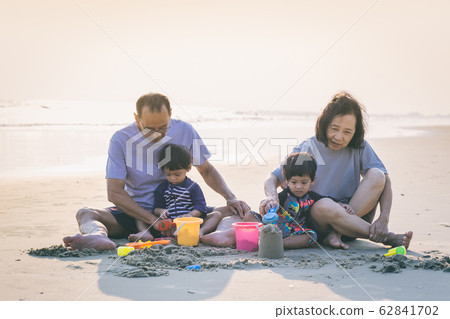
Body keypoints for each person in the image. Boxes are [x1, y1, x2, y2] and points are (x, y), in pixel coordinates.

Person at [63, 93, 250, 250]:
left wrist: (230, 196)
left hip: (182, 216)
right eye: (149, 129)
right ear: (137, 119)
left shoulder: (185, 130)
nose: (157, 134)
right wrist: (154, 220)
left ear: (170, 116)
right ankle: (98, 236)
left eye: (163, 127)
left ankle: (218, 235)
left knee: (236, 212)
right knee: (86, 213)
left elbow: (207, 170)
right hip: (137, 216)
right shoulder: (120, 139)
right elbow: (114, 192)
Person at [259, 91, 413, 250]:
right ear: (324, 124)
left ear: (355, 131)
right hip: (319, 222)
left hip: (354, 218)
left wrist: (383, 219)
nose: (339, 137)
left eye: (347, 132)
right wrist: (272, 197)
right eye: (334, 128)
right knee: (325, 205)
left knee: (377, 174)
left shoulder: (359, 147)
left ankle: (337, 233)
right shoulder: (310, 149)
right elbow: (273, 178)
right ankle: (386, 238)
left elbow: (384, 181)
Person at [245, 152, 354, 249]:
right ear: (287, 180)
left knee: (311, 236)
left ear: (312, 180)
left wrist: (340, 204)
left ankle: (279, 243)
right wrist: (270, 207)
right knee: (249, 215)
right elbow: (271, 206)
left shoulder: (312, 197)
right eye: (294, 182)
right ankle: (264, 236)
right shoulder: (284, 196)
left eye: (304, 182)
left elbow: (327, 200)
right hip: (272, 227)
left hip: (294, 231)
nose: (298, 186)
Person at [144, 143, 222, 238]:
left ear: (188, 168)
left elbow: (201, 207)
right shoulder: (162, 188)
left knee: (217, 214)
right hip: (172, 225)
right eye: (168, 174)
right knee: (143, 215)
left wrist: (190, 215)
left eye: (177, 174)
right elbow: (156, 208)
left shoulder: (193, 187)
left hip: (192, 223)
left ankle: (201, 232)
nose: (173, 178)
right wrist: (161, 211)